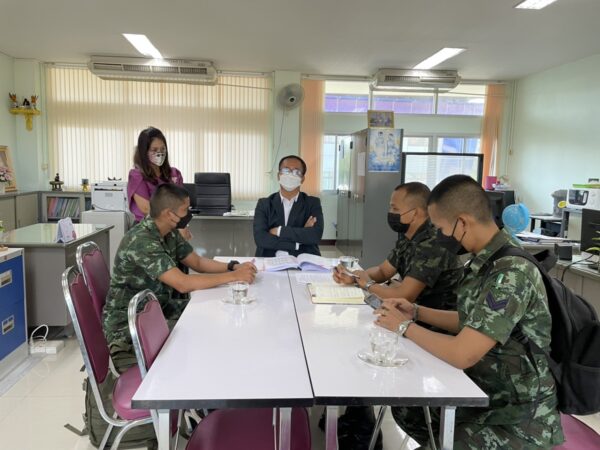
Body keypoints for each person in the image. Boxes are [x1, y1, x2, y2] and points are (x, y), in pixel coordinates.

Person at [375, 175, 564, 449]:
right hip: (484, 390)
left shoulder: (510, 272)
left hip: (516, 414)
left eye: (440, 228)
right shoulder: (487, 256)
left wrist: (403, 327)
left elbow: (463, 353)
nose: (439, 236)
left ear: (462, 222)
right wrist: (416, 312)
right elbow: (472, 320)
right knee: (408, 410)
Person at [331, 182, 463, 450]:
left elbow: (404, 293)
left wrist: (364, 284)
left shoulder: (432, 243)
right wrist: (356, 277)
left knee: (368, 353)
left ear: (415, 213)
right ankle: (355, 418)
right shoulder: (408, 236)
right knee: (350, 343)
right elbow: (383, 270)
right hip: (406, 318)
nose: (389, 213)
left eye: (394, 208)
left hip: (433, 328)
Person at [103, 184, 257, 372]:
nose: (188, 214)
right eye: (185, 210)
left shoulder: (168, 232)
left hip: (159, 308)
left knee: (216, 313)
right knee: (203, 333)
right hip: (130, 326)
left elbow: (197, 263)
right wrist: (234, 276)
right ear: (169, 214)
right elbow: (183, 284)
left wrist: (233, 266)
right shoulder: (142, 241)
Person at [253, 155, 324, 257]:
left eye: (296, 172)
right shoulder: (264, 204)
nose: (290, 175)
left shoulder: (312, 203)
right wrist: (298, 241)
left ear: (302, 179)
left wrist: (279, 231)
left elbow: (315, 235)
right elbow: (261, 238)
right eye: (286, 170)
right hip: (269, 260)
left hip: (303, 261)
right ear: (278, 175)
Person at [127, 126, 185, 223]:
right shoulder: (137, 176)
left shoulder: (174, 173)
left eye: (163, 149)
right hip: (148, 229)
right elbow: (146, 209)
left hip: (171, 227)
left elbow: (182, 203)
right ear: (144, 152)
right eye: (154, 150)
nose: (160, 153)